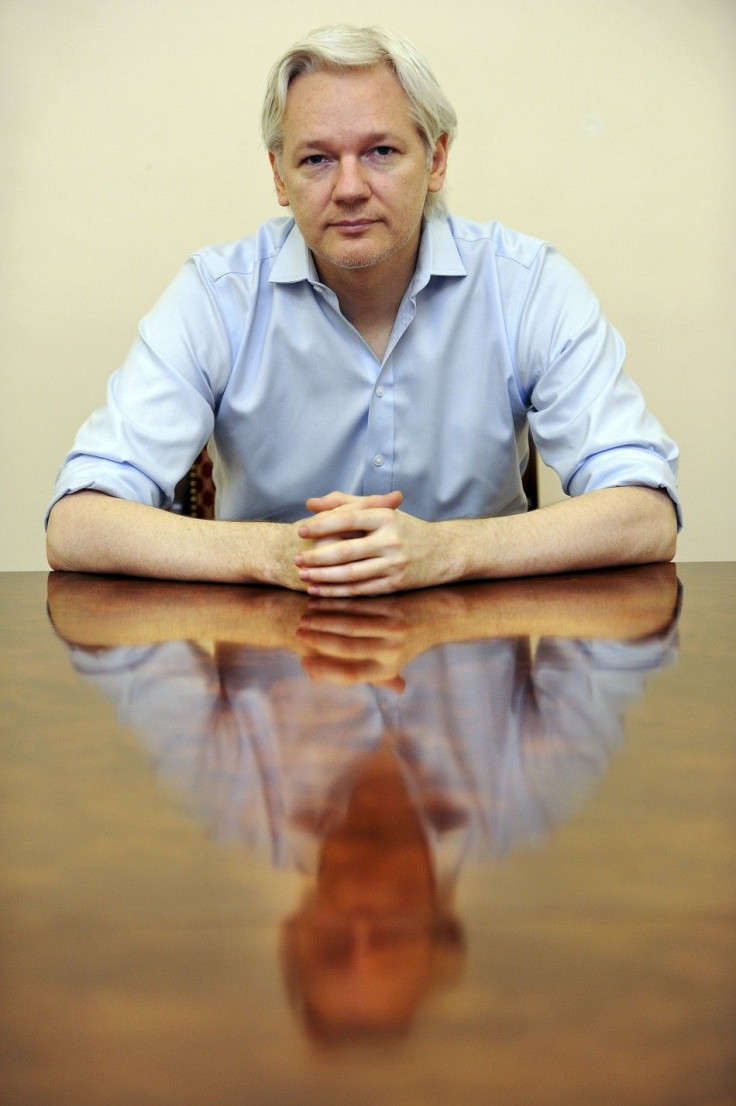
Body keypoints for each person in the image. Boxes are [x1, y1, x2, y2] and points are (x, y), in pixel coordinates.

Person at [45, 24, 681, 597]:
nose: (349, 189)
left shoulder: (526, 283)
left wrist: (449, 550)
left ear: (435, 160)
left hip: (477, 677)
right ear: (278, 176)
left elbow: (646, 513)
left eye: (380, 151)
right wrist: (278, 553)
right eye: (317, 159)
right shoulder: (217, 294)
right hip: (272, 676)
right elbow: (77, 525)